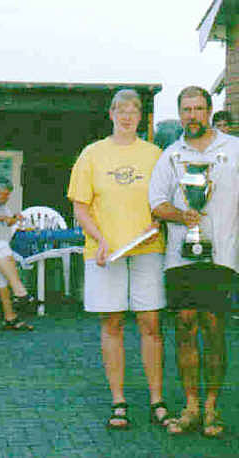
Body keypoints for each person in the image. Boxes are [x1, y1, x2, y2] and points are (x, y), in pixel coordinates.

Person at [149, 86, 239, 438]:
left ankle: (212, 407)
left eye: (198, 108)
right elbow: (157, 204)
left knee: (213, 329)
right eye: (186, 109)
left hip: (223, 255)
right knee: (184, 326)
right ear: (179, 113)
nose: (192, 115)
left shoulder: (235, 149)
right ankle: (191, 405)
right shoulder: (170, 155)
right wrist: (183, 217)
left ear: (210, 111)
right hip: (180, 258)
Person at [67, 89, 169, 430]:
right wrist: (100, 239)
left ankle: (157, 399)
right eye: (120, 111)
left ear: (141, 117)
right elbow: (80, 207)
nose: (127, 117)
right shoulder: (91, 154)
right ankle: (119, 400)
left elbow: (164, 202)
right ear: (111, 114)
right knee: (112, 324)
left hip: (147, 251)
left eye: (134, 111)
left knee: (150, 325)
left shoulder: (155, 154)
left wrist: (158, 223)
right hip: (105, 254)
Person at [0, 177, 35, 330]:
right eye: (4, 195)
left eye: (8, 195)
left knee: (0, 265)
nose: (7, 198)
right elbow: (1, 219)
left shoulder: (1, 205)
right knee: (2, 247)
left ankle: (10, 318)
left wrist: (15, 218)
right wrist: (1, 218)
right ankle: (21, 292)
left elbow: (8, 221)